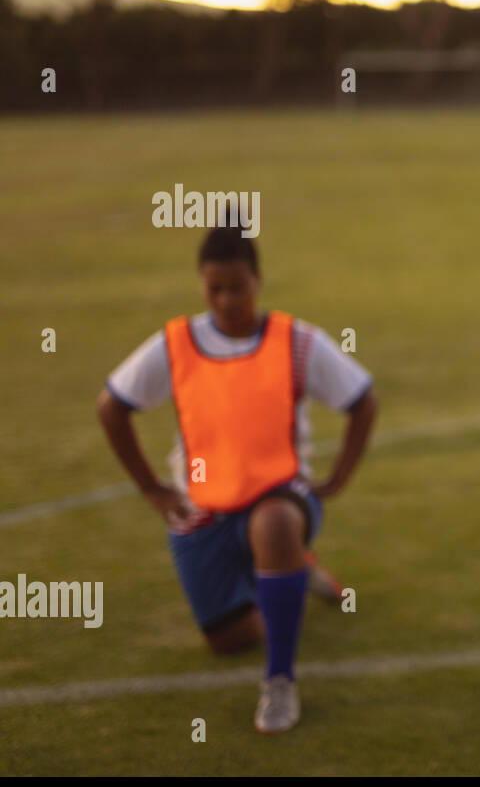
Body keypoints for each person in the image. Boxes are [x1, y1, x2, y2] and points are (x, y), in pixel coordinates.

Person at [96, 224, 378, 734]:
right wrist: (153, 488)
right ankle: (292, 574)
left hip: (281, 495)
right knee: (228, 641)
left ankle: (280, 681)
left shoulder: (295, 341)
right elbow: (112, 407)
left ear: (258, 281)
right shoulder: (175, 343)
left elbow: (363, 400)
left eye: (238, 287)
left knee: (273, 526)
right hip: (201, 506)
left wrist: (336, 478)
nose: (227, 300)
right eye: (215, 289)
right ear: (202, 287)